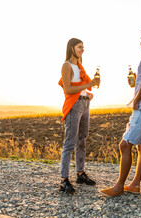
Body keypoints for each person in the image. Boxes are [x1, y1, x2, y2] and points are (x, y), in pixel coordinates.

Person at [100, 27, 141, 197]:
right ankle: (135, 184)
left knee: (125, 144)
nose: (140, 42)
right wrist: (137, 81)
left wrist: (137, 99)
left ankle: (119, 187)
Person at [58, 38, 100, 194]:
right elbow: (68, 89)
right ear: (71, 48)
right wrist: (89, 85)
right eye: (80, 47)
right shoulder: (66, 66)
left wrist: (87, 94)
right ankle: (63, 180)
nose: (83, 49)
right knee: (69, 142)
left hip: (84, 103)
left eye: (83, 47)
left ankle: (80, 174)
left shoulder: (79, 67)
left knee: (81, 140)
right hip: (73, 106)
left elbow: (79, 87)